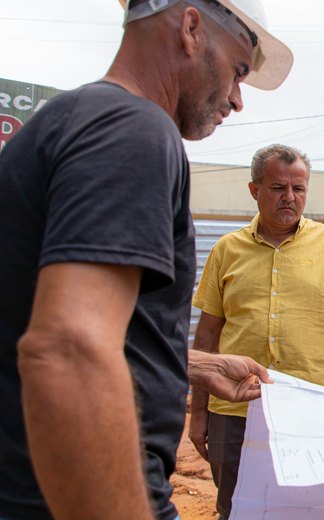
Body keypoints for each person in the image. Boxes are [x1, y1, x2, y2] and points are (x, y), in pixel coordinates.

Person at [0, 0, 294, 518]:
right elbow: (69, 349)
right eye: (237, 71)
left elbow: (52, 317)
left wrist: (198, 364)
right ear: (190, 27)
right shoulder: (134, 131)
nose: (236, 98)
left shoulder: (68, 118)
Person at [189, 144, 324, 519]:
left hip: (310, 407)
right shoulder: (226, 250)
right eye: (277, 188)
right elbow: (205, 336)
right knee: (235, 508)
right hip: (234, 410)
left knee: (307, 507)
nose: (290, 197)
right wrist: (199, 414)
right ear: (254, 190)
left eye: (298, 189)